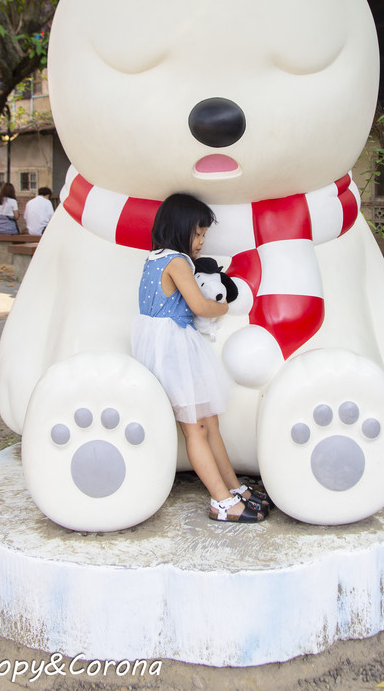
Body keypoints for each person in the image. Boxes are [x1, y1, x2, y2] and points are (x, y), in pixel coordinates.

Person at [132, 193, 269, 523]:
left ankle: (233, 487)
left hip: (169, 347)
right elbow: (199, 306)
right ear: (179, 228)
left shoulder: (155, 259)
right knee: (197, 429)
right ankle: (221, 501)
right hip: (174, 350)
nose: (201, 241)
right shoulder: (177, 262)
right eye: (198, 233)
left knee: (209, 423)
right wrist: (224, 307)